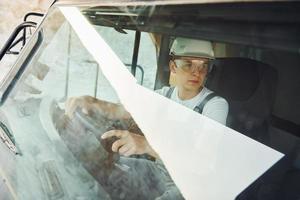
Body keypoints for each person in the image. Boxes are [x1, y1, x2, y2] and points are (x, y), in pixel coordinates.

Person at [64, 37, 229, 199]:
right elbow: (125, 110)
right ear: (173, 66)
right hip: (160, 170)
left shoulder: (215, 105)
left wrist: (147, 145)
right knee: (106, 170)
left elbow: (203, 163)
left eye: (203, 66)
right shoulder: (166, 95)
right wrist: (92, 102)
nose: (197, 72)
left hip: (192, 185)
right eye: (188, 65)